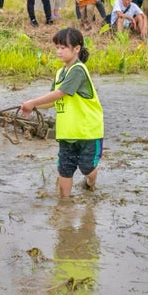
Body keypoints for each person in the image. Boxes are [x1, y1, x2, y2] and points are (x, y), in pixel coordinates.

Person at [20, 27, 104, 197]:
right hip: (67, 131)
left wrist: (33, 102)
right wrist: (31, 107)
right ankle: (64, 203)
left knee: (87, 167)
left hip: (87, 131)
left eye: (63, 47)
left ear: (77, 49)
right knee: (64, 169)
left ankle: (90, 182)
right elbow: (53, 100)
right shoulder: (60, 73)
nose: (59, 51)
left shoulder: (78, 70)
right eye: (57, 47)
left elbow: (60, 93)